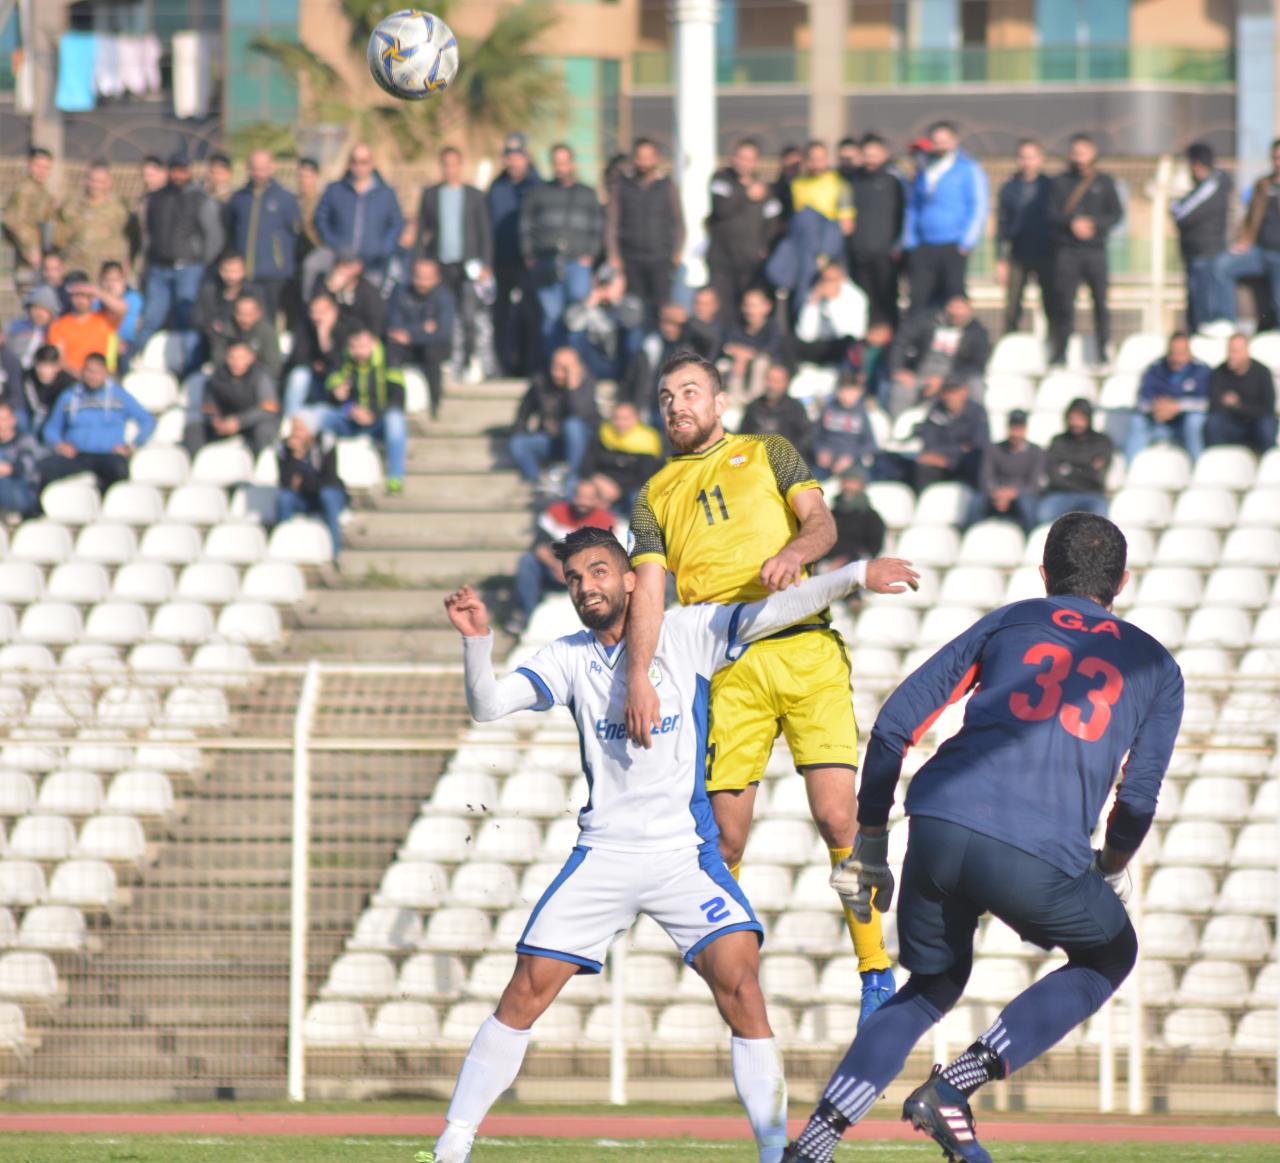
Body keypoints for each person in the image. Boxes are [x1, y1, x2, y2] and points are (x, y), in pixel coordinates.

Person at [434, 528, 919, 1163]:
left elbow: (777, 609)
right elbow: (488, 705)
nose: (587, 587)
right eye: (575, 578)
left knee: (743, 990)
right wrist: (477, 643)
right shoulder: (567, 657)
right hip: (604, 856)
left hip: (684, 858)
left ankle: (775, 1152)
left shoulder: (687, 632)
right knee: (524, 992)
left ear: (630, 578)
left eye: (599, 571)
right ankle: (452, 1143)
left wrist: (854, 575)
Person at [781, 514, 1182, 1163]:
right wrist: (1110, 866)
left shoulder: (1011, 619)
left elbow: (895, 724)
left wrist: (873, 840)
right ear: (1123, 582)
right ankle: (954, 1087)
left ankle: (814, 1145)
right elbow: (1136, 800)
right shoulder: (1157, 665)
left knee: (930, 986)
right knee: (1111, 955)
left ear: (1044, 574)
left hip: (940, 820)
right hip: (1039, 850)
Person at [626, 352, 913, 1022]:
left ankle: (875, 970)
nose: (677, 406)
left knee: (837, 817)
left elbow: (823, 523)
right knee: (726, 839)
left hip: (805, 649)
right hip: (727, 666)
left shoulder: (768, 451)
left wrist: (794, 553)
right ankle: (736, 973)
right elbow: (649, 594)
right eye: (666, 397)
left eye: (690, 392)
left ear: (720, 401)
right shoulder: (652, 495)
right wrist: (639, 674)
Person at [134, 153, 224, 359]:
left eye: (183, 170)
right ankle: (135, 359)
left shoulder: (200, 199)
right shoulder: (156, 199)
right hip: (159, 268)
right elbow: (148, 236)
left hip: (189, 268)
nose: (179, 175)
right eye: (175, 170)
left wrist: (203, 263)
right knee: (152, 317)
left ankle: (187, 363)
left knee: (187, 318)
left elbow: (213, 237)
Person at [519, 143, 604, 361]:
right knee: (551, 317)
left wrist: (590, 254)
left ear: (572, 164)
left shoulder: (587, 193)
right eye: (557, 163)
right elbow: (526, 226)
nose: (561, 168)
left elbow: (597, 227)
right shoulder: (538, 193)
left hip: (578, 263)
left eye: (565, 163)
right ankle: (554, 367)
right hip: (546, 263)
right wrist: (529, 254)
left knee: (578, 317)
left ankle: (577, 366)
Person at [417, 146, 495, 383]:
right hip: (441, 265)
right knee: (445, 313)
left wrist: (486, 264)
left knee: (469, 314)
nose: (450, 169)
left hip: (469, 265)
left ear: (461, 166)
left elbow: (484, 231)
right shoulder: (431, 195)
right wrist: (421, 262)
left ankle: (470, 359)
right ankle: (448, 359)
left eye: (454, 164)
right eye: (446, 165)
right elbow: (422, 232)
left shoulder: (473, 195)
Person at [1047, 134, 1123, 367]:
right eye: (1076, 152)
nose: (1080, 157)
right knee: (1064, 304)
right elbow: (1050, 213)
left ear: (1093, 153)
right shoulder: (1059, 183)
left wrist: (1094, 225)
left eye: (1084, 152)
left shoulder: (1105, 182)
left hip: (1095, 251)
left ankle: (1102, 351)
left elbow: (1116, 214)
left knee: (1100, 303)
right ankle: (1060, 353)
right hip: (1067, 251)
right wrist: (1071, 223)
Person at [508, 479, 616, 632]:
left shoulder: (605, 520)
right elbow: (539, 546)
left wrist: (573, 571)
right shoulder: (555, 513)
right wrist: (556, 565)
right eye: (579, 496)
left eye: (588, 498)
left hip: (586, 575)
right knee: (528, 561)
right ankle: (526, 616)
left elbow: (604, 557)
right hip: (554, 569)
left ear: (597, 500)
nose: (582, 502)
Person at [902, 122, 989, 312]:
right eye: (936, 141)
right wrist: (910, 239)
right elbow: (914, 206)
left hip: (953, 244)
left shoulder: (967, 169)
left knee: (953, 299)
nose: (940, 145)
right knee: (919, 299)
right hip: (924, 244)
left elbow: (978, 205)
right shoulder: (925, 169)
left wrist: (967, 240)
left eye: (945, 141)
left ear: (954, 141)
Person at [40, 352, 155, 492]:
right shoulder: (69, 396)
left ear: (105, 373)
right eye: (89, 371)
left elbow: (147, 420)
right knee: (46, 468)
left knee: (118, 470)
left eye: (98, 372)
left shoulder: (119, 396)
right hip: (77, 455)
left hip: (109, 455)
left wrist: (131, 446)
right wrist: (59, 444)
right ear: (82, 371)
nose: (93, 376)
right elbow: (51, 428)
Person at [606, 138, 684, 331]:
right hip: (631, 260)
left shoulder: (667, 186)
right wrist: (614, 255)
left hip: (661, 259)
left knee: (661, 311)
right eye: (640, 157)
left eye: (649, 157)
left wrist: (677, 252)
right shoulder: (622, 186)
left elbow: (679, 223)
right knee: (634, 313)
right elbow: (612, 223)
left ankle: (659, 347)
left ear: (656, 159)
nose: (644, 162)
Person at [319, 329, 408, 493]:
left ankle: (395, 477)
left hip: (379, 421)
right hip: (350, 419)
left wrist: (373, 414)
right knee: (321, 416)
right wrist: (340, 398)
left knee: (396, 419)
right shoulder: (342, 360)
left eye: (363, 346)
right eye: (354, 347)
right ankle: (321, 474)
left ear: (374, 344)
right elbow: (331, 390)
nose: (358, 352)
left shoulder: (389, 360)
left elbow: (398, 398)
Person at [707, 139, 781, 327]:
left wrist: (765, 246)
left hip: (750, 263)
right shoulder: (721, 179)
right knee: (723, 311)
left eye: (749, 159)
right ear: (733, 158)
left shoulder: (765, 190)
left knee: (748, 311)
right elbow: (721, 208)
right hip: (722, 261)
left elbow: (773, 221)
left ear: (756, 162)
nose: (744, 163)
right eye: (740, 157)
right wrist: (745, 194)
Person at [224, 150, 303, 320]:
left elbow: (296, 233)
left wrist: (280, 260)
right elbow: (230, 228)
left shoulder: (286, 199)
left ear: (272, 167)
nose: (259, 174)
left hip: (274, 275)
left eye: (263, 169)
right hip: (244, 275)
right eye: (255, 169)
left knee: (269, 320)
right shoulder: (239, 199)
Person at [508, 345, 601, 488]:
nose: (557, 373)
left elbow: (582, 415)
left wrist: (572, 388)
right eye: (555, 366)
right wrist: (520, 431)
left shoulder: (586, 382)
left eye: (564, 369)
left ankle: (572, 480)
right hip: (553, 440)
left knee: (572, 425)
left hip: (584, 443)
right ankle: (536, 484)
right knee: (518, 443)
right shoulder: (541, 381)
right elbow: (523, 412)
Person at [487, 133, 541, 376]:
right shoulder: (496, 187)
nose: (513, 161)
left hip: (530, 262)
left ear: (526, 157)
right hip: (502, 259)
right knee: (501, 314)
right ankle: (504, 364)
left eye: (518, 156)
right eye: (509, 156)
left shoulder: (538, 186)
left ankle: (531, 363)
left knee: (530, 313)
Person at [885, 294, 990, 416]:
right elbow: (901, 341)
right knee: (902, 389)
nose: (956, 312)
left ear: (969, 310)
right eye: (953, 307)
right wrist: (898, 369)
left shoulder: (977, 332)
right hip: (920, 375)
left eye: (960, 308)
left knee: (976, 386)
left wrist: (945, 380)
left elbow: (977, 365)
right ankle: (899, 425)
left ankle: (975, 422)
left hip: (955, 378)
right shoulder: (927, 322)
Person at [1213, 138, 1280, 327]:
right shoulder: (1263, 185)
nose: (1278, 162)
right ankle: (1226, 322)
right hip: (1260, 251)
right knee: (1222, 266)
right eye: (1275, 158)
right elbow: (1251, 217)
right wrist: (1243, 241)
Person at [314, 144, 405, 280]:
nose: (359, 167)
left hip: (374, 263)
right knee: (312, 266)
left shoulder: (386, 193)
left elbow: (396, 223)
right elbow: (321, 220)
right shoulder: (335, 190)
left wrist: (383, 248)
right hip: (340, 262)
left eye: (364, 162)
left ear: (372, 163)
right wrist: (334, 244)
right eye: (354, 162)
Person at [1170, 142, 1233, 332]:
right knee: (1195, 302)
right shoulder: (1204, 187)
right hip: (1195, 252)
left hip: (1206, 251)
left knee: (1205, 304)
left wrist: (1175, 205)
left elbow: (1182, 213)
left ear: (1197, 164)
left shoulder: (1212, 185)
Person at [386, 256, 456, 421]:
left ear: (436, 278)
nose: (422, 282)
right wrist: (422, 329)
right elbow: (394, 327)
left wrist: (411, 336)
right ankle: (394, 402)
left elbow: (443, 333)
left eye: (427, 278)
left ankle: (435, 404)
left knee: (431, 354)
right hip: (406, 346)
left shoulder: (444, 297)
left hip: (433, 346)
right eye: (418, 277)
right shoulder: (401, 293)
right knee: (390, 352)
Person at [847, 133, 906, 328]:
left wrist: (898, 245)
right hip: (860, 254)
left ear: (884, 154)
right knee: (863, 303)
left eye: (874, 155)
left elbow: (904, 214)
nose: (870, 160)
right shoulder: (854, 181)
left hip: (885, 254)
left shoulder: (894, 180)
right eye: (866, 155)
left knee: (887, 302)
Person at [1125, 332, 1211, 463]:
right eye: (1173, 353)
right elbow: (1141, 401)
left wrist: (1178, 406)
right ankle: (1130, 468)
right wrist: (1156, 407)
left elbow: (1207, 403)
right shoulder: (1155, 370)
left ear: (1189, 353)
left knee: (1195, 421)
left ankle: (1197, 466)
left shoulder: (1201, 371)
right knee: (1137, 421)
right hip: (1158, 424)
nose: (1176, 358)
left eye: (1180, 353)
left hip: (1184, 426)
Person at [185, 339, 280, 457]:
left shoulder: (261, 376)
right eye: (232, 357)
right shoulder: (217, 377)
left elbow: (269, 408)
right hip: (225, 423)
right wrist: (215, 420)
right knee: (193, 430)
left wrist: (239, 421)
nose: (236, 362)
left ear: (251, 358)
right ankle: (195, 462)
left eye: (241, 358)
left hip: (252, 423)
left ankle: (259, 462)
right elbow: (208, 406)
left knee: (264, 430)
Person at [996, 139, 1053, 335]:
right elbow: (1002, 225)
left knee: (1051, 301)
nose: (1027, 162)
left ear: (1040, 159)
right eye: (1023, 157)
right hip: (1018, 251)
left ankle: (1054, 343)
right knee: (1013, 303)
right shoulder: (1009, 188)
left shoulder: (1050, 186)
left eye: (1031, 157)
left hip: (1046, 251)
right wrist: (1000, 258)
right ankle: (1010, 338)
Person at [276, 415, 346, 565]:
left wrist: (303, 479)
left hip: (326, 494)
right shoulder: (285, 448)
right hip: (304, 497)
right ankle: (283, 548)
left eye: (300, 430)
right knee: (285, 498)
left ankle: (334, 553)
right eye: (294, 430)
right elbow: (286, 483)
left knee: (328, 495)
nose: (296, 434)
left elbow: (329, 479)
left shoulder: (326, 444)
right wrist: (296, 457)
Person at [964, 409, 1044, 532]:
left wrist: (1013, 493)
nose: (1015, 433)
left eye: (1019, 428)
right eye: (1013, 427)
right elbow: (985, 477)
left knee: (1027, 505)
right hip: (996, 491)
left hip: (1020, 493)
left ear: (1025, 429)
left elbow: (1034, 484)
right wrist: (997, 493)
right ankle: (967, 533)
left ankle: (1030, 535)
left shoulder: (1036, 452)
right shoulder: (993, 449)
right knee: (977, 501)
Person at [54, 160, 132, 282]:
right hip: (76, 267)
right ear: (86, 180)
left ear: (109, 182)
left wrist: (125, 261)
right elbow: (58, 235)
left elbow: (128, 235)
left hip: (107, 272)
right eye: (93, 180)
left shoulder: (119, 207)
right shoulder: (71, 205)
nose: (96, 185)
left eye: (101, 182)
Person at [579, 401, 663, 514]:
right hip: (600, 484)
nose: (620, 423)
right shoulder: (603, 434)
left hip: (628, 489)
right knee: (580, 488)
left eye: (625, 418)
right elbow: (586, 465)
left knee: (639, 497)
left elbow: (645, 477)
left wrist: (618, 490)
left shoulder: (647, 440)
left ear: (636, 419)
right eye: (616, 418)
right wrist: (598, 484)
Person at [1038, 398, 1112, 523]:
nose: (1075, 422)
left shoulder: (1101, 442)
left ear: (1088, 418)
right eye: (1072, 418)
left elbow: (1097, 476)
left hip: (1092, 494)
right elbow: (1054, 475)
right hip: (1061, 493)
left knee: (1099, 522)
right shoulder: (1058, 441)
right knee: (1044, 515)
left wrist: (1069, 469)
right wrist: (1086, 467)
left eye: (1080, 418)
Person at [909, 377, 990, 492]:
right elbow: (930, 443)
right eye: (946, 392)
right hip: (939, 463)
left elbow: (979, 445)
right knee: (923, 465)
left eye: (954, 392)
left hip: (964, 463)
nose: (949, 397)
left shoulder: (977, 412)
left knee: (978, 463)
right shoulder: (936, 411)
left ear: (964, 392)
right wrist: (960, 448)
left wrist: (950, 460)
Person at [283, 291, 353, 420]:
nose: (317, 317)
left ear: (334, 311)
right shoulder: (304, 326)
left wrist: (324, 337)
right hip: (313, 382)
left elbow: (340, 363)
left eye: (322, 312)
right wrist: (313, 365)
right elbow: (297, 357)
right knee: (299, 375)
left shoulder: (346, 329)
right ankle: (289, 421)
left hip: (336, 385)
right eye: (314, 312)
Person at [1206, 332, 1277, 452]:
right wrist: (1245, 408)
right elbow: (1215, 405)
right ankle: (1218, 459)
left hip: (1256, 424)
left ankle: (1269, 459)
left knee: (1267, 424)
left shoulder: (1262, 372)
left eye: (1235, 351)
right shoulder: (1219, 373)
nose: (1231, 356)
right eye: (1229, 351)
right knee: (1214, 423)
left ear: (1246, 352)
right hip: (1232, 425)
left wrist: (1237, 405)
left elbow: (1267, 409)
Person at [46, 275, 128, 376]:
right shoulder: (59, 325)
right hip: (72, 378)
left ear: (92, 297)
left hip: (103, 377)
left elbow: (121, 309)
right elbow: (60, 359)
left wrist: (96, 291)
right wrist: (81, 376)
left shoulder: (105, 320)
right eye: (76, 295)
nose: (81, 300)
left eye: (85, 295)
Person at [793, 262, 869, 368]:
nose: (827, 284)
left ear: (842, 279)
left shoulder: (856, 298)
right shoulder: (813, 294)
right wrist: (812, 304)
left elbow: (855, 334)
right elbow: (805, 335)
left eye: (832, 280)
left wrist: (833, 302)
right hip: (817, 346)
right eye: (824, 279)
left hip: (841, 348)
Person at [2, 146, 56, 285]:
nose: (42, 171)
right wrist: (31, 248)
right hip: (26, 255)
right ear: (29, 165)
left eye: (46, 167)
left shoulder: (44, 194)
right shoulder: (24, 191)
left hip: (40, 254)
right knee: (28, 289)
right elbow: (13, 221)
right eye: (38, 166)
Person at [723, 287, 788, 401]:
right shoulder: (737, 325)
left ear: (767, 307)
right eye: (747, 305)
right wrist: (739, 355)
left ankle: (755, 401)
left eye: (754, 306)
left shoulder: (773, 327)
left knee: (760, 362)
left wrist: (746, 354)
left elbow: (770, 349)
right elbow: (726, 346)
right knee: (724, 365)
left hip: (763, 367)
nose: (750, 310)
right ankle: (733, 400)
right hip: (738, 365)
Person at [740, 363, 815, 457]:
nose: (772, 385)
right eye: (769, 380)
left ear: (785, 383)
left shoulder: (795, 408)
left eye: (776, 381)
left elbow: (806, 437)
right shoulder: (754, 407)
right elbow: (742, 437)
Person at [813, 377, 878, 481]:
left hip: (851, 462)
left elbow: (870, 444)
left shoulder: (861, 413)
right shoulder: (828, 408)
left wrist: (850, 458)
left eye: (850, 391)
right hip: (826, 461)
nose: (845, 395)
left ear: (859, 392)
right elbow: (814, 436)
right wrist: (820, 451)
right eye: (842, 391)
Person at [0, 402, 43, 520]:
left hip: (24, 492)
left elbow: (28, 465)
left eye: (3, 419)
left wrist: (10, 468)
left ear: (13, 420)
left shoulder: (26, 441)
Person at [99, 262, 144, 371]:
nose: (111, 285)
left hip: (128, 346)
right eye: (107, 280)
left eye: (115, 280)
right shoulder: (96, 303)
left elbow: (130, 328)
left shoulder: (134, 299)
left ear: (123, 281)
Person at [22, 345, 75, 438]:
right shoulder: (27, 378)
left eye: (48, 366)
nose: (43, 371)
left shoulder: (69, 384)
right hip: (32, 421)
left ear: (58, 367)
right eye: (40, 365)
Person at [7, 286, 61, 368]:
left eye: (43, 309)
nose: (38, 313)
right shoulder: (15, 327)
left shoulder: (57, 331)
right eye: (35, 308)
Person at [681, 286, 725, 363]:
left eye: (706, 304)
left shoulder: (722, 332)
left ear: (716, 306)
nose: (701, 308)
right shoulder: (683, 327)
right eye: (698, 303)